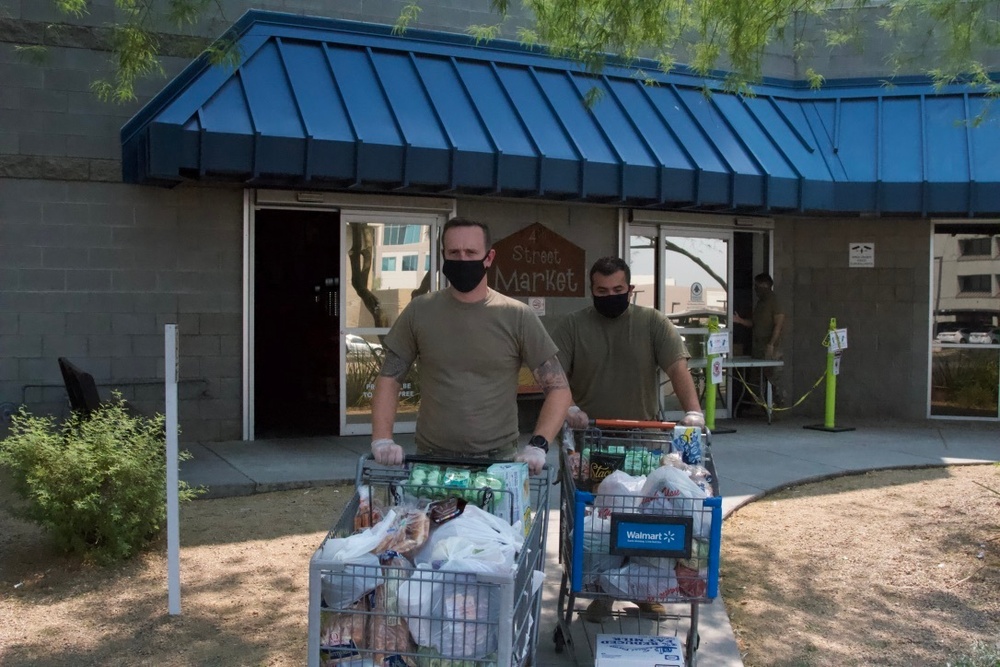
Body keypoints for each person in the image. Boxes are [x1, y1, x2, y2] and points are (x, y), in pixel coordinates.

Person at [552, 256, 705, 621]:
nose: (611, 296)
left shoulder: (652, 323)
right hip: (595, 443)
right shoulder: (573, 326)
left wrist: (694, 412)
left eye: (618, 290)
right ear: (591, 291)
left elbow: (677, 368)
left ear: (630, 289)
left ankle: (646, 590)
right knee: (600, 521)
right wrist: (568, 406)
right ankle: (600, 590)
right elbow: (553, 376)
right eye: (602, 291)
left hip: (645, 443)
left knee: (647, 523)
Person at [369, 217, 573, 475]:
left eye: (471, 252)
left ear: (488, 257)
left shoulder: (517, 316)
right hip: (433, 460)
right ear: (443, 255)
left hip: (499, 462)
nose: (462, 259)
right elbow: (390, 378)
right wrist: (382, 439)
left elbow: (558, 389)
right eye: (454, 252)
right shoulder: (419, 312)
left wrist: (538, 445)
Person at [733, 272, 786, 408]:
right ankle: (760, 408)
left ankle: (777, 408)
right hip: (758, 348)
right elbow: (755, 323)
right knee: (756, 381)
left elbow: (779, 324)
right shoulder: (760, 303)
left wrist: (771, 344)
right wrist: (740, 321)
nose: (756, 289)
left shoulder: (774, 301)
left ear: (765, 285)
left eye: (758, 286)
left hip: (770, 349)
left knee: (773, 380)